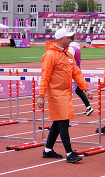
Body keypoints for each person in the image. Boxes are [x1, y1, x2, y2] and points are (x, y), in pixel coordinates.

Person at [37, 28, 93, 163]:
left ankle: (48, 150)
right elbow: (45, 76)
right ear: (60, 39)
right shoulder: (50, 55)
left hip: (65, 94)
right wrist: (41, 95)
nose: (71, 39)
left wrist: (86, 89)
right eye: (68, 38)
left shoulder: (68, 54)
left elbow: (77, 73)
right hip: (56, 94)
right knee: (63, 122)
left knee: (58, 122)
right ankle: (69, 153)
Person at [68, 35, 94, 116]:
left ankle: (65, 114)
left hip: (72, 73)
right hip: (77, 70)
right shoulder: (77, 47)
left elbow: (69, 62)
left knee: (67, 94)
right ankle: (88, 107)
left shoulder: (71, 48)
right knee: (78, 90)